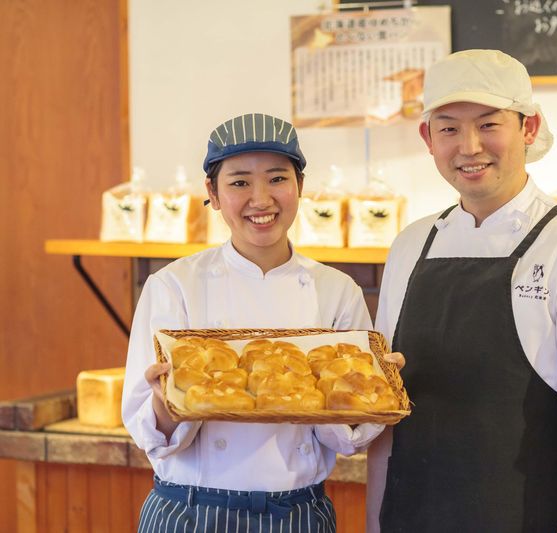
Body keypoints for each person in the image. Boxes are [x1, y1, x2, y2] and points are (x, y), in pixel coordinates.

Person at [366, 50, 557, 533]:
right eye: (449, 128)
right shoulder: (410, 245)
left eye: (489, 124)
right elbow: (387, 408)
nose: (469, 147)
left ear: (529, 128)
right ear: (428, 138)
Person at [122, 113, 384, 533]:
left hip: (297, 513)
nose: (261, 199)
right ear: (213, 193)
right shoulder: (173, 286)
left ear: (300, 185)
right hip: (190, 511)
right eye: (240, 182)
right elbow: (149, 435)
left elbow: (348, 440)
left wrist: (368, 388)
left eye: (277, 179)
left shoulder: (337, 291)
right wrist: (163, 403)